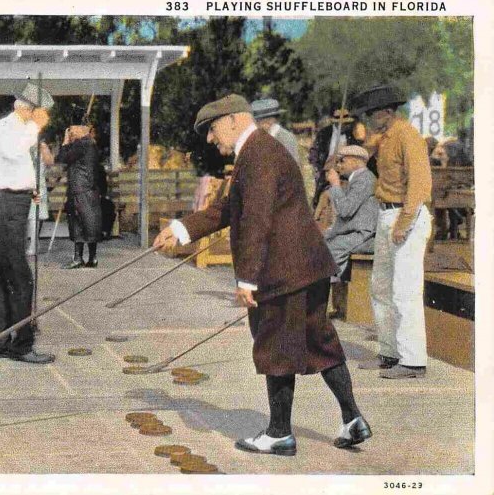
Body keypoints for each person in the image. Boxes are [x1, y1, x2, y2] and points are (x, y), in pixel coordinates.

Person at [155, 94, 371, 457]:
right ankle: (353, 419)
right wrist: (181, 229)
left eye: (212, 129)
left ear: (235, 120)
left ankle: (279, 433)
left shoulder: (257, 153)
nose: (210, 139)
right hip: (307, 267)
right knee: (319, 342)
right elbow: (228, 208)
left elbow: (256, 218)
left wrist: (247, 280)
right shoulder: (258, 150)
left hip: (284, 272)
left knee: (276, 348)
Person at [350, 85, 432, 379]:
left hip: (405, 214)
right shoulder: (384, 138)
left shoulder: (407, 135)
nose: (368, 119)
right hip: (387, 214)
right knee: (381, 288)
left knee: (405, 291)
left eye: (371, 113)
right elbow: (366, 153)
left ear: (387, 111)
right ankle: (389, 353)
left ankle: (412, 360)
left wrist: (404, 222)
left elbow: (420, 184)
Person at [0, 82, 55, 364]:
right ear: (25, 108)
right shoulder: (8, 128)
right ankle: (21, 345)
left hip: (8, 203)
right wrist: (35, 127)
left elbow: (14, 164)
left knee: (5, 274)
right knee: (21, 278)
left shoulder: (17, 130)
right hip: (4, 207)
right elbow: (12, 152)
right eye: (39, 113)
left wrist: (29, 187)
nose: (42, 117)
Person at [323, 145, 379, 319]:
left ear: (356, 161)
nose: (339, 165)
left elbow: (345, 210)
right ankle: (333, 303)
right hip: (353, 232)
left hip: (363, 235)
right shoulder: (357, 179)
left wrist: (335, 185)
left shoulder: (365, 179)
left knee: (329, 251)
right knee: (321, 245)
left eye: (342, 161)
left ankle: (321, 305)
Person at [55, 124, 103, 269]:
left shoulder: (80, 144)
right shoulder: (90, 144)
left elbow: (62, 158)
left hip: (79, 189)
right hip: (89, 189)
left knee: (78, 223)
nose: (70, 133)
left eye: (72, 130)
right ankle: (92, 258)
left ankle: (78, 258)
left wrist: (64, 142)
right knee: (89, 222)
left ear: (81, 129)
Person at [309, 108, 365, 209]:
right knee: (322, 200)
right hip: (326, 171)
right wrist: (317, 169)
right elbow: (314, 153)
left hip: (345, 173)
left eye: (346, 123)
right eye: (341, 123)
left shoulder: (352, 135)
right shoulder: (324, 134)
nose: (344, 126)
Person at [251, 98, 300, 165]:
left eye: (267, 119)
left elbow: (293, 168)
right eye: (258, 121)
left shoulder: (286, 138)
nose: (260, 124)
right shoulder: (255, 138)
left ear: (273, 119)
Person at [26, 141, 53, 256]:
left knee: (35, 216)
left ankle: (33, 245)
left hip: (38, 185)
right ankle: (34, 243)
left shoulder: (41, 146)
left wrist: (43, 149)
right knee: (33, 216)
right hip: (28, 184)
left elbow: (50, 162)